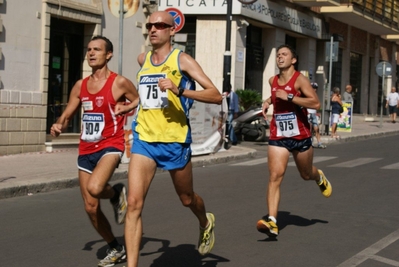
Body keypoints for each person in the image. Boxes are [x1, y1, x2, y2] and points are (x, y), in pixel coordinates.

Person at [124, 11, 223, 267]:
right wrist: (131, 105)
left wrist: (180, 90)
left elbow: (215, 95)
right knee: (134, 203)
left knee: (186, 198)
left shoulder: (183, 60)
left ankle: (205, 221)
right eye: (150, 25)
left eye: (160, 25)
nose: (153, 29)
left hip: (174, 141)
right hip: (144, 140)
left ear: (172, 31)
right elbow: (148, 95)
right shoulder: (142, 58)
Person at [50, 35, 139, 267]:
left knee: (96, 187)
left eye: (97, 50)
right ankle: (115, 247)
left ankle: (114, 193)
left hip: (111, 143)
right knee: (90, 207)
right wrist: (60, 123)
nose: (91, 53)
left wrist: (126, 106)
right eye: (89, 49)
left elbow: (139, 99)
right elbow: (69, 110)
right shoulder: (80, 85)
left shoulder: (119, 82)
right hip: (86, 147)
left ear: (108, 54)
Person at [256, 44, 332, 238]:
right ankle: (272, 222)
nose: (280, 57)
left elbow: (315, 103)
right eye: (278, 55)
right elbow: (276, 95)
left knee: (305, 174)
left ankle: (318, 176)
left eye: (284, 54)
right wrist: (268, 101)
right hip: (278, 135)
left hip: (300, 136)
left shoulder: (300, 80)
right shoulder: (272, 80)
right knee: (275, 176)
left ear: (293, 60)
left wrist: (290, 96)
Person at [307, 82, 326, 149]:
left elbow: (317, 105)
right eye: (313, 88)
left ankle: (319, 142)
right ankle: (310, 142)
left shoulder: (316, 95)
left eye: (315, 88)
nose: (314, 89)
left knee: (316, 128)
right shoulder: (307, 94)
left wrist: (317, 111)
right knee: (309, 128)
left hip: (314, 113)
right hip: (308, 113)